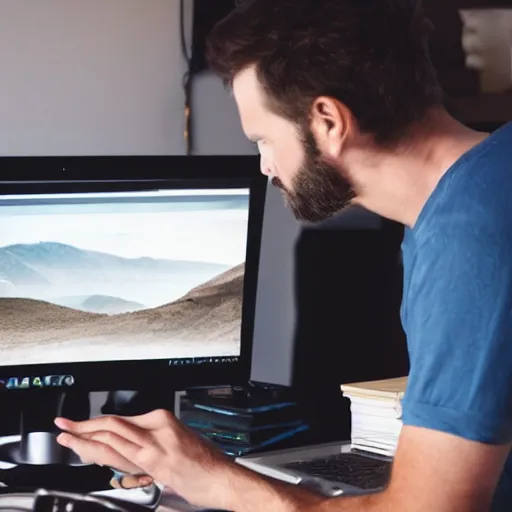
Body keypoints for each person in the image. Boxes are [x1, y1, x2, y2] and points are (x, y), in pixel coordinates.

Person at [54, 0, 512, 510]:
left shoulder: (472, 239)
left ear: (328, 121)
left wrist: (215, 477)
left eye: (264, 139)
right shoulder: (479, 191)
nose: (266, 167)